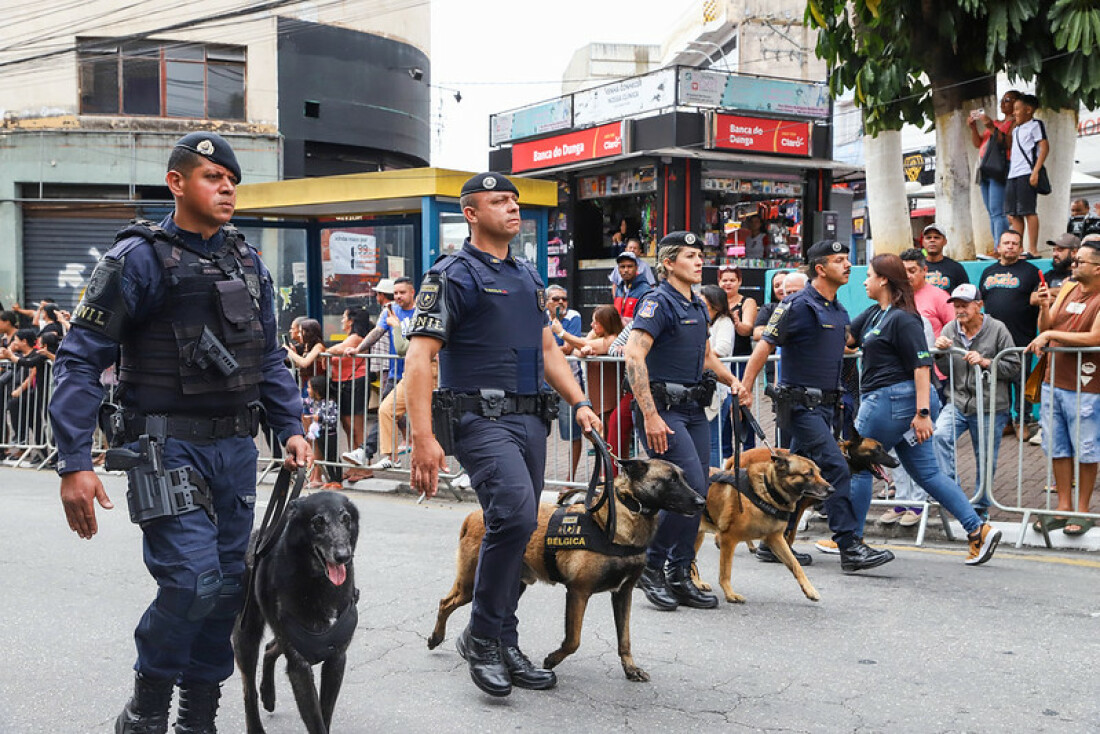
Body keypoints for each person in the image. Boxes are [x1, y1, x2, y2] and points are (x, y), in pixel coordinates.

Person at [48, 132, 310, 733]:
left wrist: (290, 426)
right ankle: (146, 709)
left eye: (232, 182)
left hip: (234, 450)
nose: (227, 190)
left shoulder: (248, 261)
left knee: (228, 588)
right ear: (176, 183)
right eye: (213, 178)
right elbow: (79, 361)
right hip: (163, 448)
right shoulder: (136, 259)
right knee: (194, 582)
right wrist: (73, 462)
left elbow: (270, 357)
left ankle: (198, 716)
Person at [405, 172, 599, 697]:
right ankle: (484, 637)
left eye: (514, 200)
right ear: (470, 213)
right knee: (513, 515)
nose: (512, 207)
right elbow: (420, 357)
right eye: (498, 201)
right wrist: (423, 438)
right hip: (479, 419)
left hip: (530, 420)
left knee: (518, 527)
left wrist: (580, 402)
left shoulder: (528, 274)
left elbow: (548, 349)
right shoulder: (451, 275)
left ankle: (502, 637)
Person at [741, 240, 893, 572]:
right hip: (800, 407)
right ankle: (849, 546)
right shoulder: (796, 305)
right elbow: (765, 345)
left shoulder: (837, 309)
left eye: (847, 259)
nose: (847, 265)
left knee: (792, 477)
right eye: (839, 260)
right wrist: (746, 386)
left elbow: (842, 347)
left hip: (827, 407)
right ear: (820, 269)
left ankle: (772, 542)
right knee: (836, 467)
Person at [849, 254, 1003, 564]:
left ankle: (849, 539)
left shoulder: (904, 318)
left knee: (857, 463)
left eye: (869, 275)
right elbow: (848, 341)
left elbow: (922, 367)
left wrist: (922, 414)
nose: (864, 281)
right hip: (892, 403)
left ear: (883, 280)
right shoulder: (874, 313)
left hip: (894, 401)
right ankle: (978, 531)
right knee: (928, 474)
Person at [625, 231, 748, 611]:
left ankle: (679, 571)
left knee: (699, 491)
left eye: (700, 255)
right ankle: (650, 566)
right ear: (668, 263)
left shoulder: (696, 303)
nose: (699, 261)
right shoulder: (657, 302)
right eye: (690, 256)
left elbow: (707, 355)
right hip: (664, 410)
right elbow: (633, 355)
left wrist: (731, 381)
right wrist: (650, 415)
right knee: (688, 487)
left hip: (694, 409)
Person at [1028, 236, 1100, 536]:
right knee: (1057, 446)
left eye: (1080, 261)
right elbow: (1045, 327)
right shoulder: (1069, 288)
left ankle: (1082, 510)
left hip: (1086, 386)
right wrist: (1045, 308)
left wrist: (1051, 335)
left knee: (1086, 448)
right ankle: (1063, 506)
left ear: (1098, 268)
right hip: (1053, 380)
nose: (1074, 264)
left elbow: (1095, 337)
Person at [931, 284, 1020, 521]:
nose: (960, 310)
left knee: (986, 458)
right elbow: (945, 370)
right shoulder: (950, 329)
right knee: (939, 436)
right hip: (958, 401)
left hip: (990, 405)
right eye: (956, 306)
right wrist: (940, 353)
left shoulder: (997, 328)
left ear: (979, 305)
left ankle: (980, 508)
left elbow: (1013, 365)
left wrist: (986, 362)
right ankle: (954, 495)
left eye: (964, 305)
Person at [979, 229, 1041, 435]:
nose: (1010, 246)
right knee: (998, 382)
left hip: (1021, 337)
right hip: (993, 338)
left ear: (1021, 248)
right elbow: (983, 301)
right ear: (999, 247)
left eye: (1015, 243)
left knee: (1021, 381)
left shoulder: (1031, 271)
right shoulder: (988, 272)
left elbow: (1037, 301)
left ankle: (1023, 421)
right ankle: (1004, 421)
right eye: (1006, 243)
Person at [969, 90, 1018, 247]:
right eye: (1002, 100)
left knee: (998, 211)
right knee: (991, 211)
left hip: (999, 167)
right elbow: (978, 143)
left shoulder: (1015, 123)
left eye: (1007, 100)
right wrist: (973, 128)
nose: (1003, 103)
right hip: (985, 167)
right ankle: (997, 243)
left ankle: (999, 245)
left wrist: (990, 126)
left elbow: (1007, 142)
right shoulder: (997, 122)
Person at [546, 285, 585, 480]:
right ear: (546, 302)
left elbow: (568, 348)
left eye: (564, 298)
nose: (561, 302)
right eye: (555, 299)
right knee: (538, 430)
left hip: (569, 382)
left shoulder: (573, 316)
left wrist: (547, 349)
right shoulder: (541, 317)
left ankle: (570, 480)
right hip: (544, 383)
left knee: (572, 433)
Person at [1005, 93, 1049, 258]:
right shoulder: (1016, 129)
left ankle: (1033, 249)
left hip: (1026, 172)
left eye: (1017, 109)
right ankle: (1019, 248)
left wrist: (1035, 171)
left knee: (1028, 211)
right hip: (1013, 174)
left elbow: (1044, 147)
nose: (1014, 112)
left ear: (1028, 110)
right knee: (1014, 214)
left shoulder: (1035, 125)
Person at [701, 284, 735, 468]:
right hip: (705, 388)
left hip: (718, 389)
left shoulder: (724, 322)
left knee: (713, 440)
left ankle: (712, 476)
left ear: (715, 305)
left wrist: (702, 356)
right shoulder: (705, 322)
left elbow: (723, 348)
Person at [303, 374, 342, 488]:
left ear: (317, 390)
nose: (307, 390)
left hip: (330, 434)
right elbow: (302, 402)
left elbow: (334, 419)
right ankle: (331, 479)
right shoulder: (313, 402)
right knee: (326, 456)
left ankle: (338, 480)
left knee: (333, 456)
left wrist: (320, 418)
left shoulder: (330, 403)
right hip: (320, 434)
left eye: (309, 388)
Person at [919, 224, 969, 293]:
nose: (932, 240)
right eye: (928, 238)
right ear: (923, 242)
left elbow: (966, 293)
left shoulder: (956, 268)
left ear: (945, 241)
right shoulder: (916, 266)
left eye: (936, 237)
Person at [612, 251, 653, 320]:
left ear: (636, 268)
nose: (626, 270)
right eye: (622, 267)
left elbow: (647, 319)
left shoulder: (645, 290)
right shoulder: (619, 289)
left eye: (630, 266)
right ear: (618, 269)